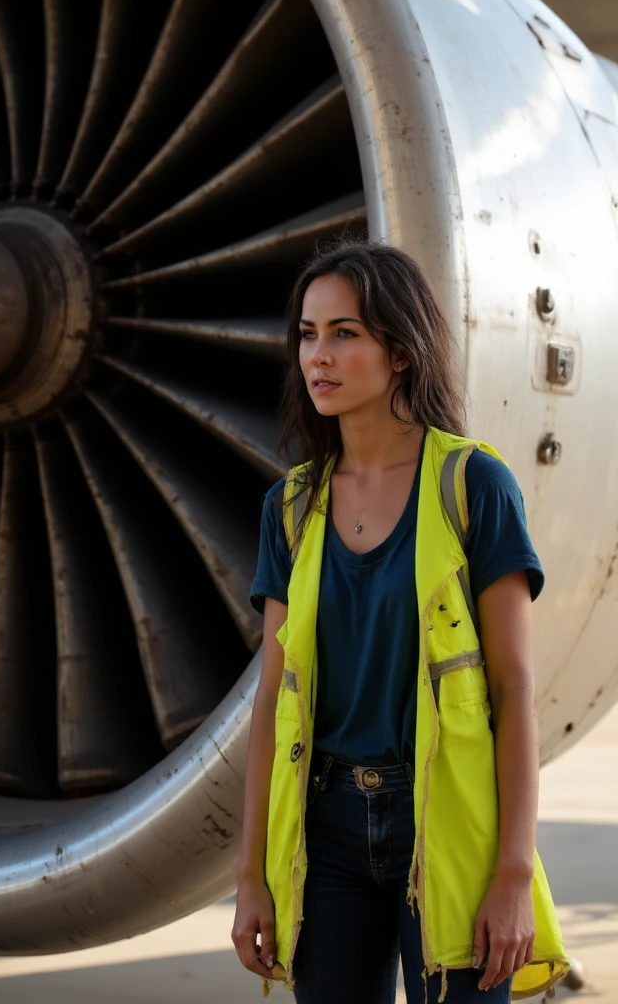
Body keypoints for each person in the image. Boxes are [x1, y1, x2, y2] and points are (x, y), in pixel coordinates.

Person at [231, 239, 568, 1003]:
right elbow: (272, 701)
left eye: (345, 333)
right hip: (330, 835)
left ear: (402, 351)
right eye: (307, 335)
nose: (318, 355)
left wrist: (513, 872)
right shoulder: (290, 507)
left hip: (446, 826)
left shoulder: (473, 486)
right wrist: (251, 876)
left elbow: (516, 692)